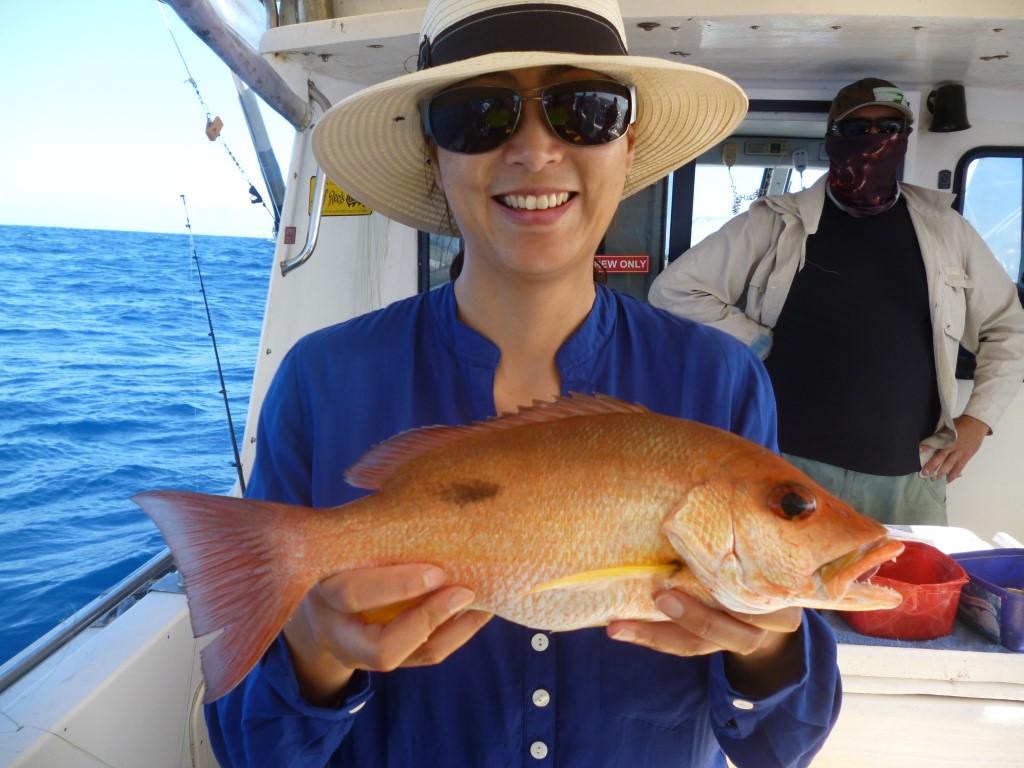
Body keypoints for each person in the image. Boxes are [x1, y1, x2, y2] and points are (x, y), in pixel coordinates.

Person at [205, 1, 842, 765]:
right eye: (480, 116)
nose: (536, 150)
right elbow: (252, 751)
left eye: (586, 111)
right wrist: (314, 652)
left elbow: (782, 749)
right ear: (434, 159)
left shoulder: (722, 382)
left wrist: (765, 650)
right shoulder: (322, 379)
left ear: (628, 146)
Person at [650, 77, 1024, 526]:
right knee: (784, 594)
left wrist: (978, 421)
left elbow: (1007, 326)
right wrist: (758, 342)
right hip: (786, 466)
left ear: (904, 140)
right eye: (856, 131)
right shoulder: (776, 222)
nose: (874, 142)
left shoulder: (947, 229)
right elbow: (673, 291)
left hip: (907, 477)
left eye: (888, 128)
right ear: (832, 141)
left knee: (903, 596)